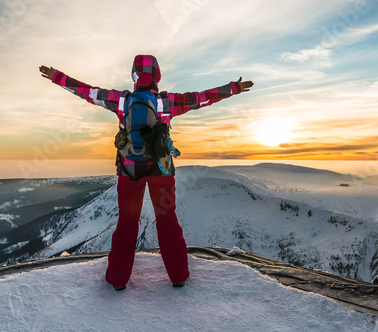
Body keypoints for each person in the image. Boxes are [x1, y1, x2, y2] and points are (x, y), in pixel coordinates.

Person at [39, 55, 253, 291]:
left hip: (129, 171)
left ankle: (118, 280)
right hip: (161, 171)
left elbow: (88, 92)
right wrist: (232, 88)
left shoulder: (121, 100)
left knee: (127, 224)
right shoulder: (166, 101)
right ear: (157, 76)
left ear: (134, 76)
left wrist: (57, 77)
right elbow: (201, 99)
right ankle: (178, 276)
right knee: (167, 221)